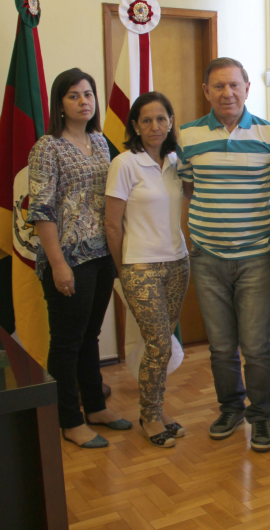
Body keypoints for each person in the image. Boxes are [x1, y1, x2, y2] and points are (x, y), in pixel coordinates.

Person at [177, 58, 270, 452]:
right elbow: (188, 191)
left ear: (246, 89)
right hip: (207, 257)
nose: (227, 93)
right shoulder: (187, 137)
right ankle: (230, 408)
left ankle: (261, 418)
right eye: (218, 87)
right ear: (206, 91)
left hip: (258, 256)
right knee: (222, 346)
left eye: (234, 86)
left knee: (256, 345)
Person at [27, 68, 131, 448]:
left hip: (102, 254)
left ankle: (95, 407)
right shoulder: (47, 147)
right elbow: (40, 210)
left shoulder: (102, 142)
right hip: (67, 259)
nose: (83, 101)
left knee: (90, 335)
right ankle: (69, 420)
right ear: (60, 103)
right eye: (74, 95)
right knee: (67, 342)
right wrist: (57, 264)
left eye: (88, 94)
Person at [105, 92, 190, 448]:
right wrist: (123, 273)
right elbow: (112, 225)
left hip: (178, 264)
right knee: (157, 342)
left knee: (162, 344)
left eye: (161, 119)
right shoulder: (124, 163)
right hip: (139, 267)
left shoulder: (177, 162)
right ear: (135, 127)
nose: (155, 126)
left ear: (171, 122)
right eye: (146, 120)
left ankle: (157, 408)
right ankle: (150, 415)